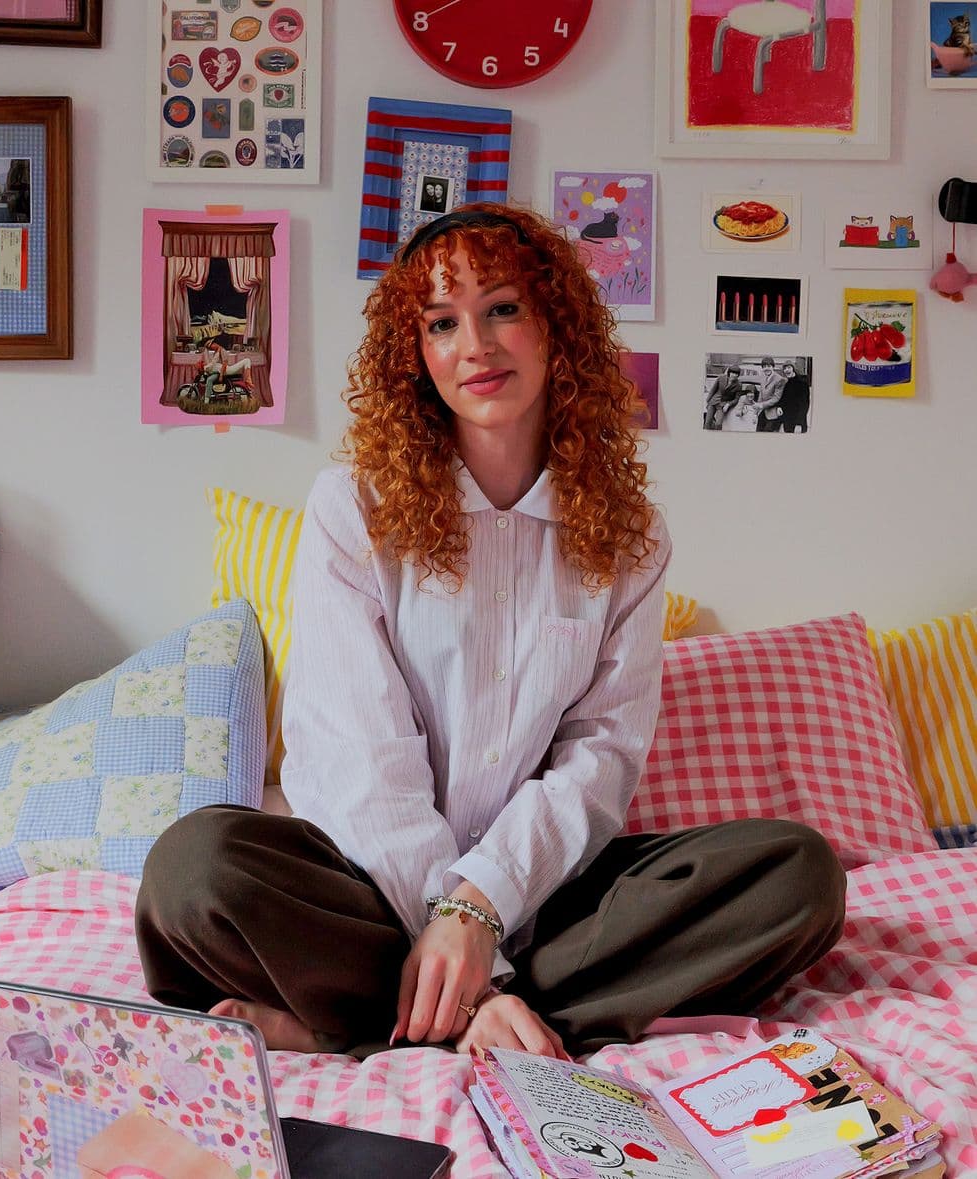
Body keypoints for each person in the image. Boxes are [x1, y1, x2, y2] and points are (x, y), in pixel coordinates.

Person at [135, 204, 845, 1061]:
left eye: (502, 307)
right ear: (416, 355)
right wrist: (468, 940)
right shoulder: (353, 510)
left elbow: (599, 760)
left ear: (558, 325)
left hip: (541, 893)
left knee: (798, 875)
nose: (476, 344)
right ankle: (494, 1014)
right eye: (442, 323)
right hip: (358, 882)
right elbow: (364, 760)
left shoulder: (633, 537)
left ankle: (358, 1021)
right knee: (194, 868)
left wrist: (485, 909)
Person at [703, 364, 742, 430]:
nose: (734, 375)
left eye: (736, 374)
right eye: (733, 373)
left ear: (738, 375)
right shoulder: (721, 377)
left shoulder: (739, 385)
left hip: (723, 405)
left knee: (718, 424)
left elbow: (736, 399)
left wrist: (728, 404)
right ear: (729, 372)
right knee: (707, 422)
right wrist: (707, 401)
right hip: (713, 402)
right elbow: (713, 390)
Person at [754, 356, 786, 432]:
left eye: (769, 366)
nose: (766, 368)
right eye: (764, 366)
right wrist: (755, 413)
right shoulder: (762, 378)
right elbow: (760, 396)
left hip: (773, 414)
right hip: (763, 413)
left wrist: (762, 405)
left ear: (773, 367)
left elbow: (776, 398)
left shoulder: (779, 379)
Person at [778, 361, 811, 433]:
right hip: (787, 420)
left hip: (798, 422)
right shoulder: (785, 383)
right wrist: (779, 407)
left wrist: (799, 423)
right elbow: (783, 398)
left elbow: (805, 404)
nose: (787, 370)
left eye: (789, 367)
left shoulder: (802, 382)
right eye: (785, 368)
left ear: (793, 369)